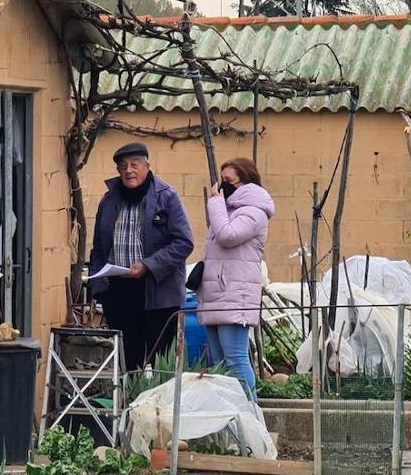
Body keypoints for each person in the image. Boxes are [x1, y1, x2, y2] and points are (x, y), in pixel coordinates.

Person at [89, 142, 194, 371]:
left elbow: (184, 242)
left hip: (159, 293)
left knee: (161, 365)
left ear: (147, 166)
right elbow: (98, 247)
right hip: (118, 293)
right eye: (123, 166)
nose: (129, 170)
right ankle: (130, 405)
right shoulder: (108, 201)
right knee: (128, 361)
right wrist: (98, 287)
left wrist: (148, 265)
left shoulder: (167, 197)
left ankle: (160, 407)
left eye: (134, 164)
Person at [198, 157, 274, 399]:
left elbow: (228, 236)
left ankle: (252, 418)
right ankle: (230, 421)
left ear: (247, 183)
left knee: (236, 360)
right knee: (219, 365)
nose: (222, 187)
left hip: (234, 295)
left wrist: (216, 204)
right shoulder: (228, 210)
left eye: (229, 181)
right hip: (216, 295)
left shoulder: (254, 213)